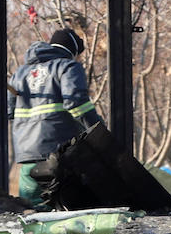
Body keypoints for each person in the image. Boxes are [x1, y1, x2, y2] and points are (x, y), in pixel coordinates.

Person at [7, 28, 104, 204]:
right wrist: (98, 131)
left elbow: (9, 111)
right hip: (59, 158)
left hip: (27, 157)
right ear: (72, 51)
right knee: (67, 216)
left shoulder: (19, 74)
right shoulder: (68, 67)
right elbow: (76, 104)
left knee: (30, 218)